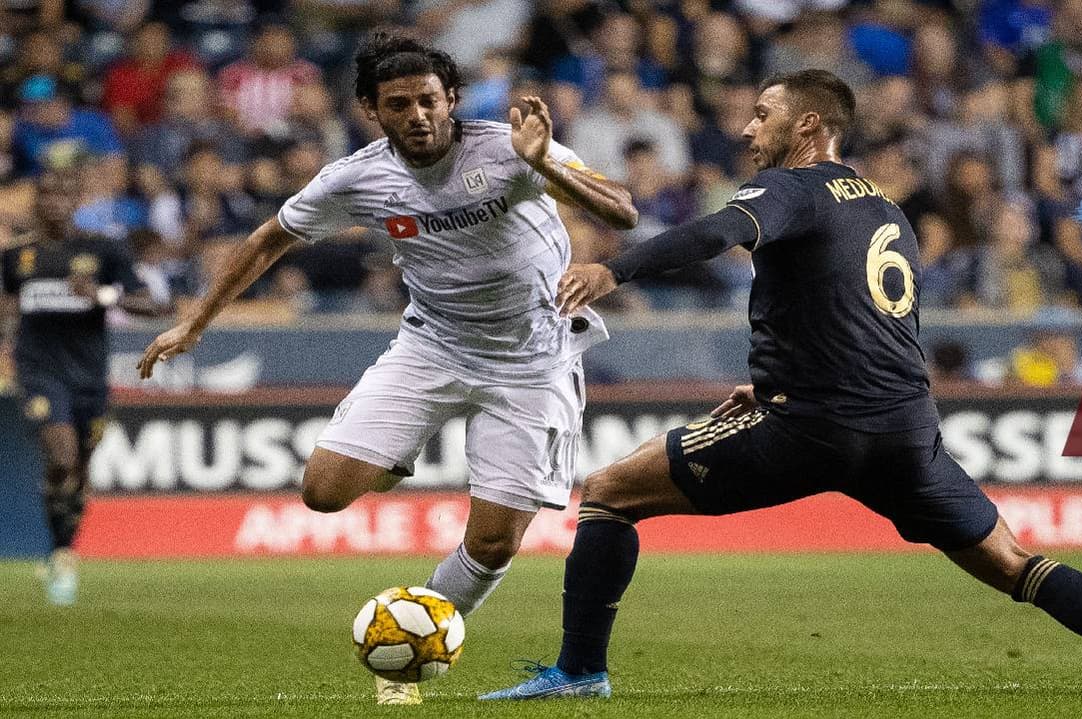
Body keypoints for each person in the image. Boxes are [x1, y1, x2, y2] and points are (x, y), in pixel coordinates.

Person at [479, 69, 1082, 700]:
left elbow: (714, 233)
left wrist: (612, 267)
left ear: (808, 127)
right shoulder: (884, 208)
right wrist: (775, 377)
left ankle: (579, 671)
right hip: (905, 433)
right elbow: (865, 317)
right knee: (1014, 562)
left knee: (612, 489)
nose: (748, 131)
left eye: (761, 114)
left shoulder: (793, 189)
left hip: (814, 426)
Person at [135, 31, 637, 706]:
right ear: (373, 109)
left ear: (451, 99)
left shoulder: (507, 148)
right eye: (398, 103)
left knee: (491, 544)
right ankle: (395, 456)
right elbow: (268, 240)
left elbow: (623, 212)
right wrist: (194, 323)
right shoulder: (360, 177)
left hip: (532, 359)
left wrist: (546, 161)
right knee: (322, 491)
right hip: (432, 346)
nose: (418, 115)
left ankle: (412, 649)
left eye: (429, 100)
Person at [1, 168, 171, 606]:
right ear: (35, 201)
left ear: (77, 200)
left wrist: (104, 296)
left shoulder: (102, 250)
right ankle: (60, 554)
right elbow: (5, 308)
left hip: (89, 379)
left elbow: (153, 304)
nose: (54, 202)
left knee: (78, 471)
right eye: (46, 194)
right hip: (39, 372)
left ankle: (62, 550)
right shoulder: (18, 256)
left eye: (63, 194)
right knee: (61, 456)